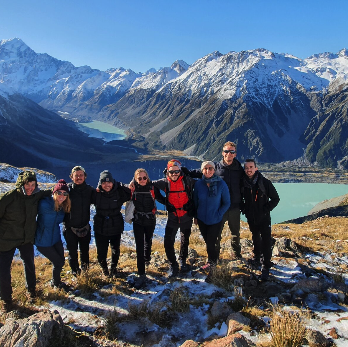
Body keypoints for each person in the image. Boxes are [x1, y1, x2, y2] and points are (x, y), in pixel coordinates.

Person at [0, 171, 51, 313]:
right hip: (6, 239)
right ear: (21, 184)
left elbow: (49, 192)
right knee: (3, 271)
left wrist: (63, 188)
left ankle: (32, 291)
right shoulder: (9, 198)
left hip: (26, 239)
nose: (30, 188)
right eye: (27, 185)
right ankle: (7, 301)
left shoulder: (36, 195)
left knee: (29, 264)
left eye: (33, 185)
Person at [184, 141, 244, 260]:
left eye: (232, 151)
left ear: (235, 154)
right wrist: (182, 171)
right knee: (216, 235)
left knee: (235, 233)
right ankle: (215, 257)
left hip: (234, 207)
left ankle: (236, 254)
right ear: (222, 153)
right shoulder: (215, 167)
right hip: (218, 208)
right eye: (226, 151)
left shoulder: (240, 169)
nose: (229, 154)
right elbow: (200, 172)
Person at [152, 159, 196, 277]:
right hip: (173, 218)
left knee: (184, 240)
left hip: (186, 217)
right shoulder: (164, 182)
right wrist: (164, 201)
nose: (174, 174)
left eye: (177, 171)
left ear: (180, 171)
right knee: (168, 242)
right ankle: (173, 264)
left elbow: (201, 184)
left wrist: (192, 203)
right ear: (167, 172)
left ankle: (182, 261)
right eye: (172, 172)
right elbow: (150, 184)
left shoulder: (188, 181)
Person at [242, 159, 280, 281]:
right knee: (255, 237)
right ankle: (257, 256)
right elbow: (239, 199)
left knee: (266, 240)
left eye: (251, 167)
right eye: (247, 168)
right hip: (251, 218)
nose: (249, 170)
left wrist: (265, 209)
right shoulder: (243, 183)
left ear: (256, 168)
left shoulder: (264, 182)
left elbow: (275, 198)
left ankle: (266, 265)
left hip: (264, 218)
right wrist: (245, 209)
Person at [193, 161, 230, 274]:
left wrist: (219, 214)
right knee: (207, 241)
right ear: (202, 170)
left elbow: (227, 203)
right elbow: (195, 201)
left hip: (215, 219)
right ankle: (213, 261)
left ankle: (212, 264)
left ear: (214, 170)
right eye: (205, 168)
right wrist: (195, 216)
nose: (208, 171)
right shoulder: (198, 184)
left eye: (210, 168)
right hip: (202, 219)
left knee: (211, 242)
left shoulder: (221, 184)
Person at [130, 168, 165, 289]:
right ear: (135, 179)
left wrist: (172, 206)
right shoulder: (132, 189)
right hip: (138, 220)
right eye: (139, 178)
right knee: (139, 245)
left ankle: (147, 259)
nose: (142, 180)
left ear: (148, 178)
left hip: (150, 220)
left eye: (144, 178)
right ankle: (141, 273)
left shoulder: (152, 187)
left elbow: (161, 198)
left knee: (148, 241)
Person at [35, 179, 71, 291]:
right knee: (58, 261)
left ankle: (56, 281)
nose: (62, 195)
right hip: (42, 241)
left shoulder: (63, 207)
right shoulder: (43, 204)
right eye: (59, 192)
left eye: (65, 193)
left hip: (56, 238)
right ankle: (56, 284)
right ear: (54, 193)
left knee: (61, 261)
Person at [94, 170, 131, 278]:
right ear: (100, 183)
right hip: (100, 227)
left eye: (109, 182)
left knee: (116, 250)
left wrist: (119, 184)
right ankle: (105, 270)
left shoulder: (119, 192)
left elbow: (129, 192)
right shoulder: (96, 194)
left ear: (113, 182)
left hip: (116, 226)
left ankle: (113, 269)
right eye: (104, 183)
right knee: (101, 251)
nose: (107, 185)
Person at [63, 166, 95, 276]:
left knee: (85, 251)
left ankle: (85, 272)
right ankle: (75, 273)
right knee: (72, 252)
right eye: (76, 175)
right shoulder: (67, 190)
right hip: (70, 228)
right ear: (71, 177)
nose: (79, 177)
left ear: (85, 176)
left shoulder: (90, 190)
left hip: (84, 227)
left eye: (81, 175)